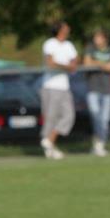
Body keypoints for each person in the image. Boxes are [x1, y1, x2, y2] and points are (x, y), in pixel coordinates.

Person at [81, 28, 110, 156]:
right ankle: (98, 143)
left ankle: (99, 144)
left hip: (107, 89)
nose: (96, 39)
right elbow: (87, 62)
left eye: (99, 37)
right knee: (96, 115)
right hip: (93, 88)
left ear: (105, 39)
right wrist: (103, 65)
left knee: (104, 119)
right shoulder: (90, 49)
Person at [39, 20, 78, 159]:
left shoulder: (69, 45)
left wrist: (63, 66)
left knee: (69, 116)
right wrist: (66, 67)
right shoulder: (50, 43)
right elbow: (50, 63)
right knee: (51, 117)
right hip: (50, 86)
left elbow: (74, 63)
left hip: (64, 87)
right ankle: (50, 149)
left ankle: (49, 140)